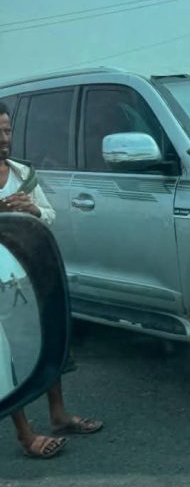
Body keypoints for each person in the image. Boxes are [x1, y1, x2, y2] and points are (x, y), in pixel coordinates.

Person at [0, 100, 103, 459]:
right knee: (9, 361)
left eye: (7, 131)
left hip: (29, 274)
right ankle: (25, 435)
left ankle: (58, 415)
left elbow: (49, 215)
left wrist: (32, 210)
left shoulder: (22, 174)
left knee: (45, 344)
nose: (4, 139)